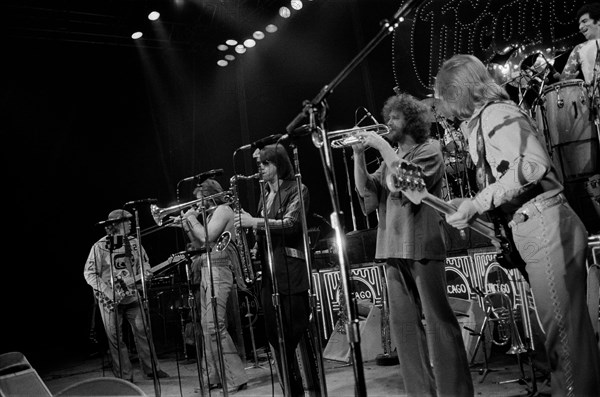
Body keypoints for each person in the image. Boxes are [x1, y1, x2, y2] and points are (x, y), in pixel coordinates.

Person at [435, 53, 600, 397]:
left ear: (459, 93)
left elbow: (533, 165)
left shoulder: (497, 114)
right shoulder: (483, 122)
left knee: (564, 342)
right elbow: (507, 179)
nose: (442, 108)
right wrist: (473, 209)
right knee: (567, 340)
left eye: (444, 97)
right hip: (535, 225)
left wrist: (478, 203)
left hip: (544, 224)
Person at [352, 93, 474, 396]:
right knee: (405, 332)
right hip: (392, 248)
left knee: (438, 324)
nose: (388, 122)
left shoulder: (429, 149)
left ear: (411, 121)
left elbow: (413, 187)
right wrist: (357, 156)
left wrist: (381, 147)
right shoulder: (391, 158)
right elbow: (367, 196)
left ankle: (456, 392)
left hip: (422, 244)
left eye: (395, 117)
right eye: (388, 116)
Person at [235, 144, 311, 397]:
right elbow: (265, 230)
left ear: (279, 164)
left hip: (290, 269)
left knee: (293, 330)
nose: (261, 168)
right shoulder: (264, 193)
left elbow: (291, 223)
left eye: (266, 163)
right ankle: (291, 387)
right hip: (270, 272)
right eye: (260, 164)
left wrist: (254, 221)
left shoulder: (297, 188)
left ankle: (304, 387)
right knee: (273, 334)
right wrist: (256, 246)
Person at [84, 209, 169, 382]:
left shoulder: (134, 242)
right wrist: (108, 291)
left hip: (132, 296)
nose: (131, 223)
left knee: (143, 331)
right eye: (126, 220)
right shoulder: (99, 246)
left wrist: (146, 272)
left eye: (130, 220)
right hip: (110, 299)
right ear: (115, 224)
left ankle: (152, 369)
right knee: (115, 338)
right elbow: (89, 273)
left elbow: (144, 263)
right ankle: (124, 376)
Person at [180, 178, 249, 394]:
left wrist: (191, 218)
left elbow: (205, 235)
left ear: (209, 194)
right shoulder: (211, 214)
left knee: (214, 326)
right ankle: (213, 377)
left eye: (199, 198)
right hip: (208, 269)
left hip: (220, 269)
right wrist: (187, 224)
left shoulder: (223, 209)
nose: (197, 204)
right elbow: (200, 243)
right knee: (205, 325)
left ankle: (235, 377)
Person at [560, 2, 600, 85]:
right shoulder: (579, 49)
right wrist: (565, 81)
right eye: (579, 23)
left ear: (598, 20)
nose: (580, 27)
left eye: (584, 21)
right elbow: (563, 81)